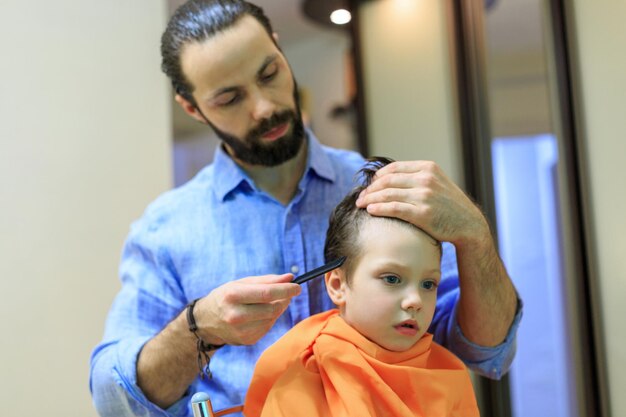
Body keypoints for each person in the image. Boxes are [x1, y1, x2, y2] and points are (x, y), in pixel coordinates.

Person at [89, 1, 522, 416]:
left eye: (269, 73)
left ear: (279, 48)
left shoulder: (385, 195)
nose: (265, 106)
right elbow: (114, 399)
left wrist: (475, 238)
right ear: (192, 108)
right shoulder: (165, 231)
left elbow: (489, 353)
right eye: (229, 98)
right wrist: (198, 329)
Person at [244, 158, 480, 417]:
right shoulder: (302, 379)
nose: (415, 300)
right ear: (337, 285)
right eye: (392, 279)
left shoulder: (447, 374)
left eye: (428, 284)